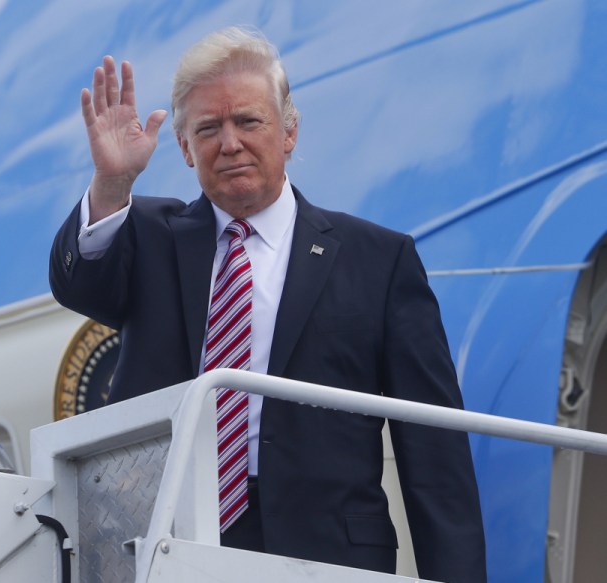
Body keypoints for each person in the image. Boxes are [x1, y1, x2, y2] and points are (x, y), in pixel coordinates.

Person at [50, 26, 486, 581]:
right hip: (168, 539)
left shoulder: (379, 260)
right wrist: (112, 185)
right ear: (184, 149)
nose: (229, 143)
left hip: (326, 554)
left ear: (289, 132)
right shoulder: (148, 237)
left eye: (248, 121)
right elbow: (79, 285)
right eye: (208, 128)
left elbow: (434, 449)